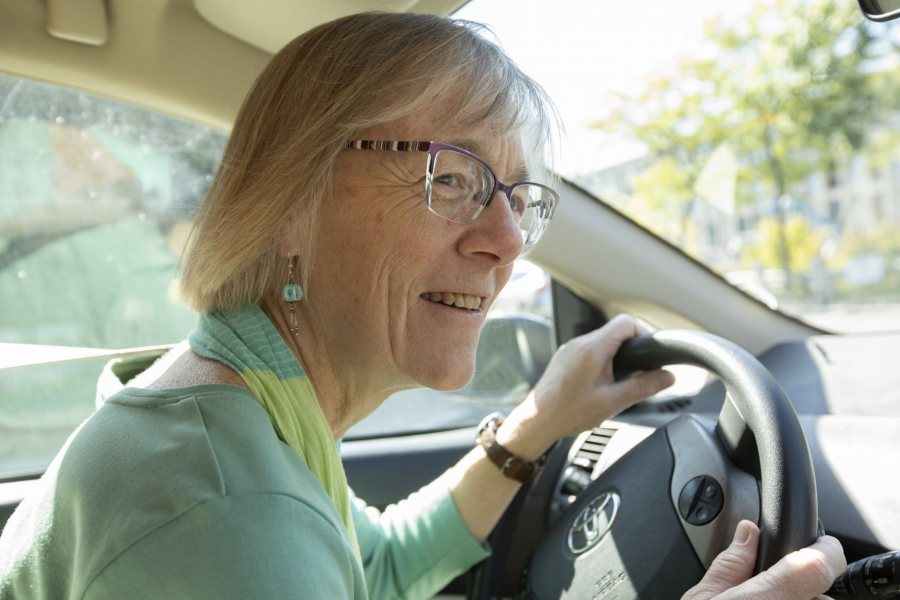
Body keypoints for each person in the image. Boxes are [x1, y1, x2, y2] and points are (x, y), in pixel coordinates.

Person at [0, 12, 845, 600]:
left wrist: (540, 421)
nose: (509, 239)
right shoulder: (222, 509)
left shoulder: (251, 414)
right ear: (290, 201)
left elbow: (381, 568)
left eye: (516, 196)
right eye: (451, 177)